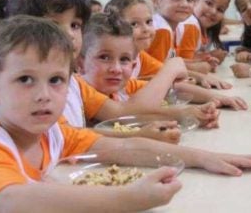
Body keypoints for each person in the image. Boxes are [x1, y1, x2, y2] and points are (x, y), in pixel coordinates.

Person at [0, 15, 251, 213]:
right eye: (25, 79)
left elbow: (123, 146)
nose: (44, 94)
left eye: (55, 80)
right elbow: (13, 198)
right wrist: (127, 199)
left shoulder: (53, 134)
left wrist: (203, 157)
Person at [0, 0, 220, 129]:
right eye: (54, 23)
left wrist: (186, 114)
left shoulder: (71, 83)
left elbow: (118, 114)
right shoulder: (25, 91)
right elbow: (68, 141)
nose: (69, 35)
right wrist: (170, 71)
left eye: (75, 25)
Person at [104, 0, 247, 110]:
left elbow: (171, 82)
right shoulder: (165, 32)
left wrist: (216, 97)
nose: (146, 29)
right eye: (134, 24)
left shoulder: (140, 56)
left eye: (148, 22)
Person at [78, 12, 182, 143]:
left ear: (133, 65)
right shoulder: (80, 87)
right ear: (80, 63)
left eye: (124, 59)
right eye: (104, 57)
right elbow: (126, 114)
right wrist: (172, 68)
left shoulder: (122, 86)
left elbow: (170, 89)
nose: (116, 69)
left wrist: (192, 112)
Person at [147, 0, 214, 74]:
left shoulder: (177, 28)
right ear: (156, 1)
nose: (184, 4)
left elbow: (171, 61)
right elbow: (156, 72)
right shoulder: (161, 30)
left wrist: (199, 60)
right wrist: (196, 72)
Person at [179, 0, 231, 64]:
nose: (213, 11)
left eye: (220, 9)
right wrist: (210, 55)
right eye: (209, 3)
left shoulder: (207, 29)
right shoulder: (191, 24)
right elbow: (182, 61)